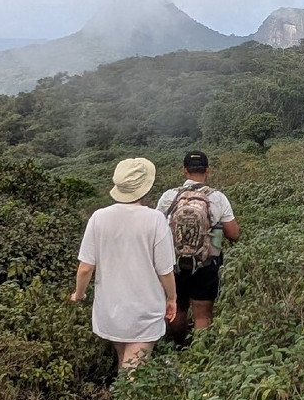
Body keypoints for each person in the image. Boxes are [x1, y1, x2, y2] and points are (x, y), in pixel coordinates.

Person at [70, 157, 176, 370]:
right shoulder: (155, 219)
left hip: (110, 310)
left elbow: (85, 268)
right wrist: (172, 298)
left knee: (124, 362)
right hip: (144, 310)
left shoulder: (98, 217)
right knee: (133, 372)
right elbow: (164, 270)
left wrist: (78, 295)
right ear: (145, 187)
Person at [156, 151, 240, 342]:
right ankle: (199, 358)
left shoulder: (169, 196)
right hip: (206, 264)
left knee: (176, 306)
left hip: (173, 263)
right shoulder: (218, 197)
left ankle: (178, 347)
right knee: (203, 314)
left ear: (184, 170)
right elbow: (233, 234)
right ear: (207, 170)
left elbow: (156, 229)